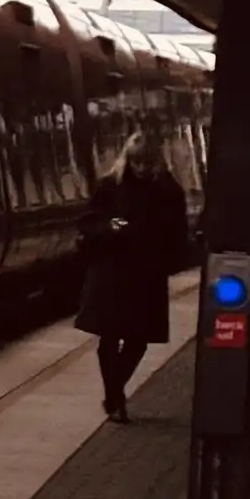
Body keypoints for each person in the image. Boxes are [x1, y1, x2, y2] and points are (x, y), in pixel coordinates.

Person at [74, 156, 189, 421]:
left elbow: (178, 232)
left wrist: (170, 260)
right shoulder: (110, 185)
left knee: (138, 340)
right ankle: (115, 399)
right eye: (137, 161)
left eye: (147, 162)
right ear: (127, 158)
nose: (142, 167)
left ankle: (114, 394)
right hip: (110, 272)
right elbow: (87, 221)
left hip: (146, 274)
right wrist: (109, 227)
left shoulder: (167, 191)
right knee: (109, 338)